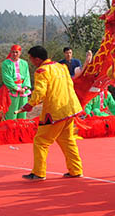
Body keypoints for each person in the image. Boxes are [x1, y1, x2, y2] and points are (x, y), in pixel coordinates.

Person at [20, 46, 83, 180]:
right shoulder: (61, 67)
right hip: (70, 108)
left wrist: (30, 104)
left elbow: (40, 92)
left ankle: (38, 172)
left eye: (31, 58)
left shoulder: (42, 71)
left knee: (41, 141)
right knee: (67, 140)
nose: (31, 61)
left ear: (37, 59)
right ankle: (75, 169)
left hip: (56, 111)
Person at [1, 44, 31, 119]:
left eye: (16, 52)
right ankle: (11, 129)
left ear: (20, 53)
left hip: (23, 91)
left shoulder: (24, 63)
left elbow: (27, 76)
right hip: (12, 90)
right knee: (12, 112)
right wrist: (17, 88)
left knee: (22, 112)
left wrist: (25, 87)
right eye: (13, 52)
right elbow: (6, 78)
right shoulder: (5, 63)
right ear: (10, 52)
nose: (14, 54)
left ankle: (21, 129)